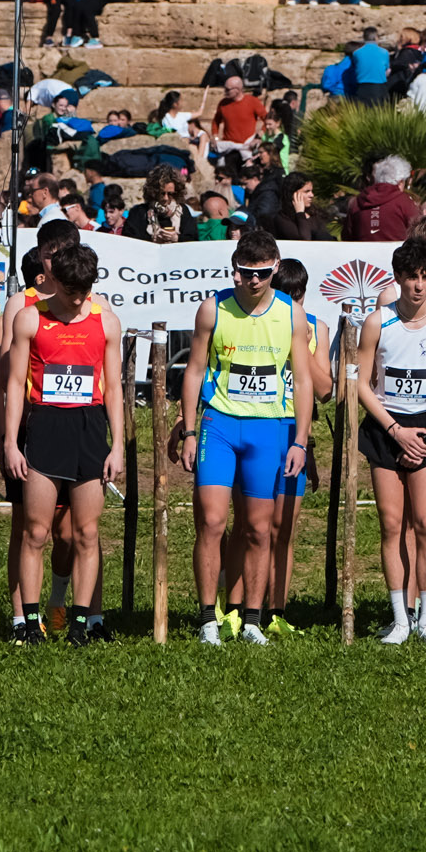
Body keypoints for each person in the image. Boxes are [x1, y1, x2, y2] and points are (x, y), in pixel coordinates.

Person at [0, 231, 121, 644]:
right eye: (71, 292)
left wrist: (117, 445)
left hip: (88, 427)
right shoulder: (30, 318)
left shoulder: (106, 321)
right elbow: (14, 385)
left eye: (85, 292)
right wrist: (11, 443)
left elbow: (115, 386)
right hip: (46, 427)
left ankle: (81, 624)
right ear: (54, 281)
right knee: (35, 531)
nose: (78, 299)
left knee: (86, 533)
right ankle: (29, 625)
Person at [186, 244, 316, 644]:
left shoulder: (290, 312)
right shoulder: (213, 309)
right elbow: (193, 370)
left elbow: (304, 378)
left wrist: (301, 440)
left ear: (276, 268)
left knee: (260, 529)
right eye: (247, 271)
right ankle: (209, 617)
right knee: (212, 522)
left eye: (262, 272)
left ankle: (253, 620)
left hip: (269, 429)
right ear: (235, 270)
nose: (254, 280)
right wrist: (189, 430)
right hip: (220, 425)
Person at [352, 236, 426, 645]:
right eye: (410, 278)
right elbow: (362, 384)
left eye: (424, 277)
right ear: (397, 279)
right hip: (387, 427)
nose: (417, 286)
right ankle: (401, 618)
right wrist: (394, 431)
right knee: (391, 524)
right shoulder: (377, 321)